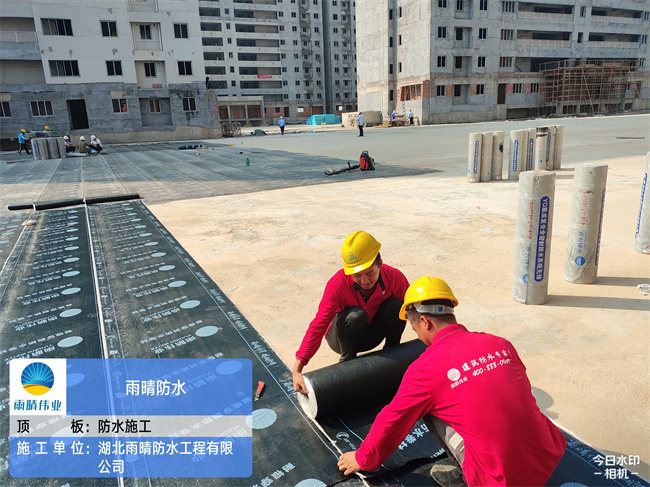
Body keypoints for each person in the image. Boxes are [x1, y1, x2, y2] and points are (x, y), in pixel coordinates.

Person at [337, 276, 566, 487]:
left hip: (501, 480)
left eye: (415, 329)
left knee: (428, 409)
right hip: (547, 459)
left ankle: (467, 476)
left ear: (425, 322)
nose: (419, 337)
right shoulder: (500, 344)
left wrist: (362, 458)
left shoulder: (424, 370)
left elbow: (393, 421)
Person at [293, 231, 409, 394]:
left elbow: (416, 311)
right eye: (357, 275)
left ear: (380, 264)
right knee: (356, 316)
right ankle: (348, 362)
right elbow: (318, 325)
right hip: (342, 338)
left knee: (398, 306)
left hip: (372, 335)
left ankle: (393, 355)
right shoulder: (337, 285)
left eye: (370, 273)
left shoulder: (394, 278)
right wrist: (297, 369)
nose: (365, 281)